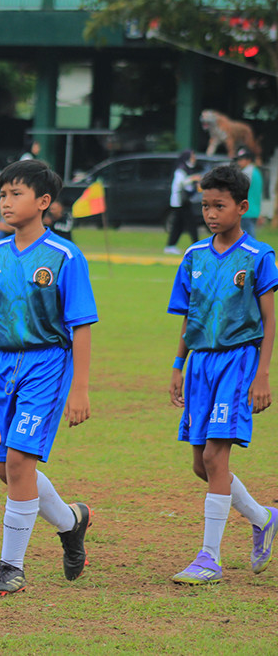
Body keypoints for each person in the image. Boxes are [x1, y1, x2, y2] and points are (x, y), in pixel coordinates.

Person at [0, 159, 98, 596]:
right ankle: (72, 522)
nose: (6, 201)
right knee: (7, 470)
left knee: (20, 463)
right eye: (2, 194)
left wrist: (80, 387)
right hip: (3, 369)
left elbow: (82, 325)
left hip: (47, 366)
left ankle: (9, 568)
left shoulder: (65, 256)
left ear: (43, 202)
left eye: (16, 194)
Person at [167, 164, 278, 585]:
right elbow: (189, 317)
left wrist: (262, 374)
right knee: (202, 465)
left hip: (238, 362)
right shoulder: (193, 256)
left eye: (220, 205)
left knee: (216, 457)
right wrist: (178, 365)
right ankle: (263, 517)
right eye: (205, 205)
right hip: (200, 366)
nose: (211, 213)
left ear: (242, 207)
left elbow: (269, 321)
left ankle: (209, 557)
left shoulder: (257, 257)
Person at [164, 150, 202, 254]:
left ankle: (170, 245)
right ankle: (197, 246)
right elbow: (180, 184)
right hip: (180, 202)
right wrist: (192, 179)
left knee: (179, 225)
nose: (194, 158)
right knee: (191, 224)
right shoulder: (181, 170)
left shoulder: (188, 169)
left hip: (185, 201)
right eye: (192, 156)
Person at [235, 146, 263, 238]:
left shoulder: (247, 172)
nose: (239, 162)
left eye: (241, 159)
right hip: (254, 210)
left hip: (246, 211)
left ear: (248, 160)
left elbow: (239, 188)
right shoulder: (256, 171)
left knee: (247, 240)